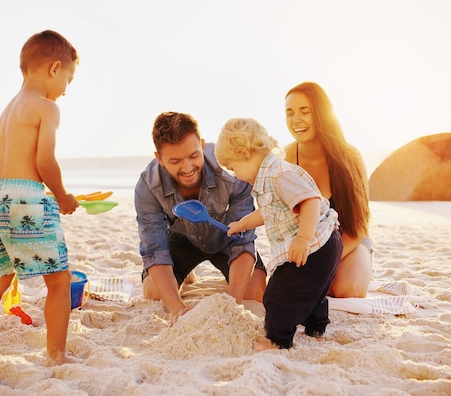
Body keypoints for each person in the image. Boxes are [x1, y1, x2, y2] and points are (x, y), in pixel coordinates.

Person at [0, 30, 80, 366]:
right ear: (54, 68)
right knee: (59, 282)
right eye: (68, 79)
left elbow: (1, 169)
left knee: (1, 274)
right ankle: (56, 356)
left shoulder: (7, 112)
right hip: (26, 202)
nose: (66, 89)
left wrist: (31, 188)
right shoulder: (47, 108)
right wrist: (61, 196)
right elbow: (45, 160)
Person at [215, 117, 342, 350]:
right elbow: (269, 210)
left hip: (314, 244)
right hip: (325, 243)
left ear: (244, 153)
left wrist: (303, 238)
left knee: (277, 295)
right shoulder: (268, 178)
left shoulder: (278, 174)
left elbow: (311, 201)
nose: (235, 175)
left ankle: (277, 339)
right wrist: (242, 224)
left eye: (233, 168)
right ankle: (316, 330)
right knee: (314, 290)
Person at [134, 111, 267, 325]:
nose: (187, 168)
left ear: (202, 145)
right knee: (153, 293)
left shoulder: (231, 170)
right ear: (159, 158)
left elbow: (243, 241)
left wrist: (230, 305)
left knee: (255, 292)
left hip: (226, 236)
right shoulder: (148, 186)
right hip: (182, 240)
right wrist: (178, 309)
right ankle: (186, 274)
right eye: (175, 161)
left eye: (193, 156)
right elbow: (154, 250)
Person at [283, 82, 372, 298]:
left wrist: (327, 261)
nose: (296, 120)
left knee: (345, 289)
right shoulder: (284, 158)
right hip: (305, 248)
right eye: (289, 113)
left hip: (348, 241)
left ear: (322, 114)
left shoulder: (350, 157)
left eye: (305, 111)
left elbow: (359, 225)